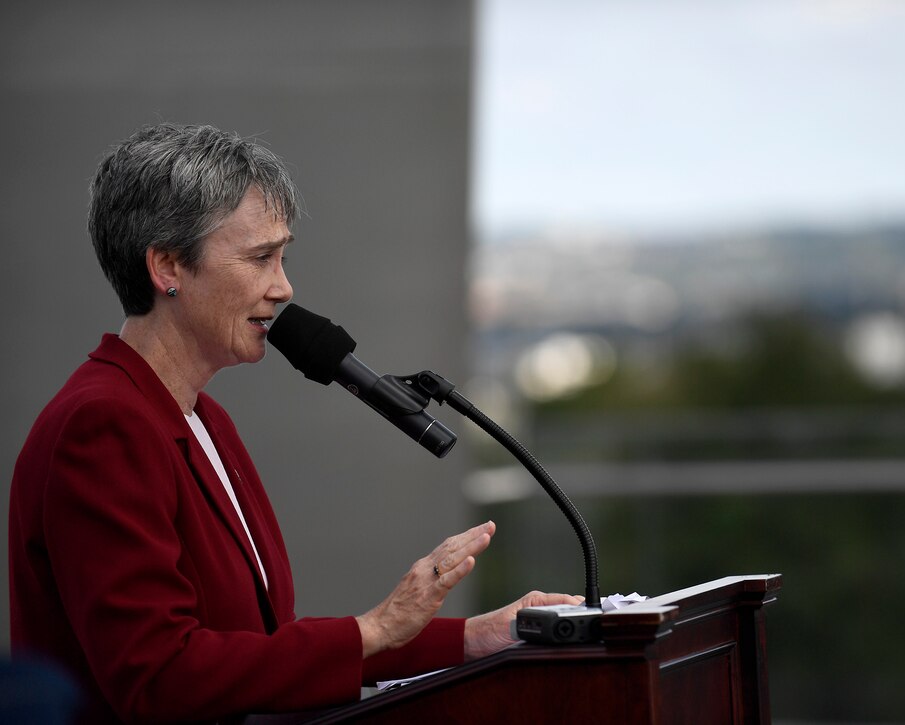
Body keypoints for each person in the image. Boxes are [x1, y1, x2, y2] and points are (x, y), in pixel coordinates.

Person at [8, 123, 580, 724]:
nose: (283, 287)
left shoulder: (202, 417)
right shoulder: (103, 425)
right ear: (168, 266)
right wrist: (375, 628)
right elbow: (160, 675)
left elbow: (256, 648)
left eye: (282, 258)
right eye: (260, 258)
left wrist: (471, 638)